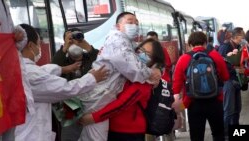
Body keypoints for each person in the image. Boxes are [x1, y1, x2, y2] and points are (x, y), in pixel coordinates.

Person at [14, 23, 108, 141]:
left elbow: (44, 72)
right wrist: (92, 78)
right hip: (32, 133)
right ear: (31, 45)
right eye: (39, 44)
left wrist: (64, 68)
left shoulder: (20, 68)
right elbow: (65, 88)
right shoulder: (31, 73)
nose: (39, 48)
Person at [76, 12, 162, 141]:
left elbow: (123, 102)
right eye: (130, 21)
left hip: (124, 126)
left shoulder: (124, 43)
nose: (134, 25)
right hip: (99, 98)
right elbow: (132, 67)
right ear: (118, 25)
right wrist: (151, 73)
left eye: (137, 23)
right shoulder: (118, 41)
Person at [172, 31, 229, 141]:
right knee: (218, 133)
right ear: (205, 42)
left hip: (193, 102)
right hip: (215, 100)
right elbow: (226, 77)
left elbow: (177, 81)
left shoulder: (183, 58)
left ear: (189, 44)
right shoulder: (214, 55)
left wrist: (176, 96)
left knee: (196, 136)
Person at [52, 28, 99, 141]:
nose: (74, 42)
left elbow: (103, 60)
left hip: (91, 109)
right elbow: (52, 69)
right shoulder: (62, 61)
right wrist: (64, 48)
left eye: (77, 39)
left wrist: (87, 47)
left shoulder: (91, 58)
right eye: (70, 40)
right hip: (69, 112)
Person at [0, 1, 33, 141]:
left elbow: (14, 40)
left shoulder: (3, 3)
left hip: (8, 77)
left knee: (9, 126)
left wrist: (18, 36)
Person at [218, 27, 245, 139]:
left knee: (237, 109)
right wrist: (235, 69)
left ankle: (236, 132)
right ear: (235, 36)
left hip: (236, 81)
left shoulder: (238, 47)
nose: (242, 39)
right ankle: (226, 134)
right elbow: (221, 65)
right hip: (228, 81)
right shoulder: (225, 47)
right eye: (241, 37)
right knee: (228, 110)